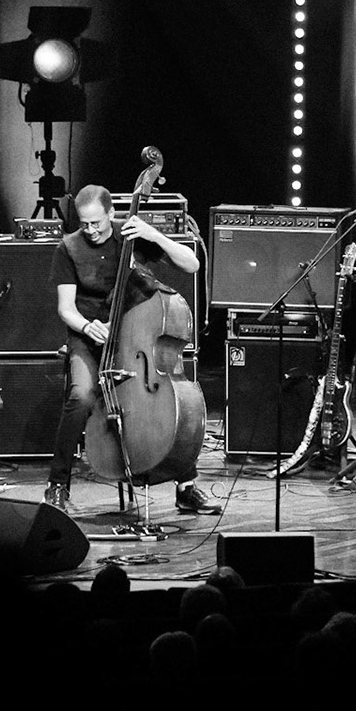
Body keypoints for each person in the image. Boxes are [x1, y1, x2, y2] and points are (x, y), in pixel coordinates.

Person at [44, 184, 219, 516]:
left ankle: (186, 488)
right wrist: (86, 326)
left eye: (97, 222)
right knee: (81, 396)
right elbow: (66, 308)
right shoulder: (67, 248)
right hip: (89, 336)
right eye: (84, 224)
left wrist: (155, 235)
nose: (91, 230)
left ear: (112, 214)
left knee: (166, 403)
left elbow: (192, 264)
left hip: (134, 335)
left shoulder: (132, 235)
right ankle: (57, 487)